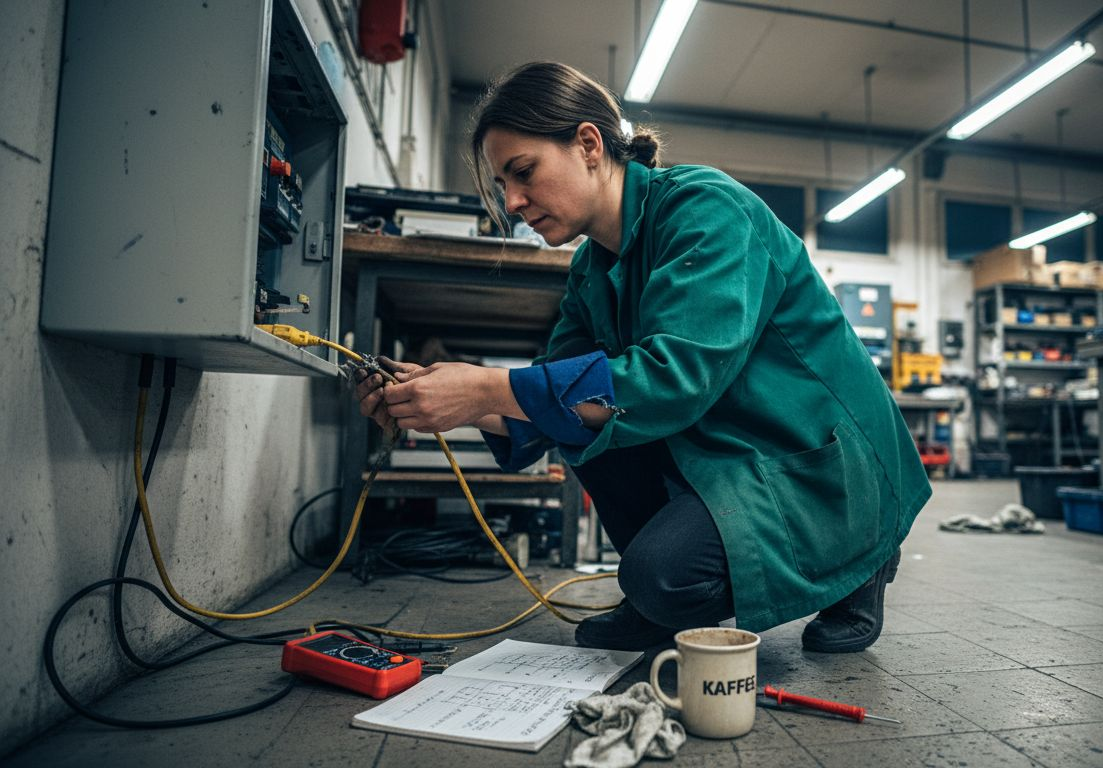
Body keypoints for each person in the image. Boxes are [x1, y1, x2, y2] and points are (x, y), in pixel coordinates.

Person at [354, 62, 931, 653]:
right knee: (580, 417)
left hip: (815, 458)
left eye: (522, 173)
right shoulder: (590, 271)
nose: (514, 201)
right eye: (503, 185)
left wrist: (484, 388)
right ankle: (663, 601)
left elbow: (675, 378)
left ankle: (863, 559)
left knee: (663, 575)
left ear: (587, 144)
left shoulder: (707, 210)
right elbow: (552, 396)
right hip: (734, 451)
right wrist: (443, 401)